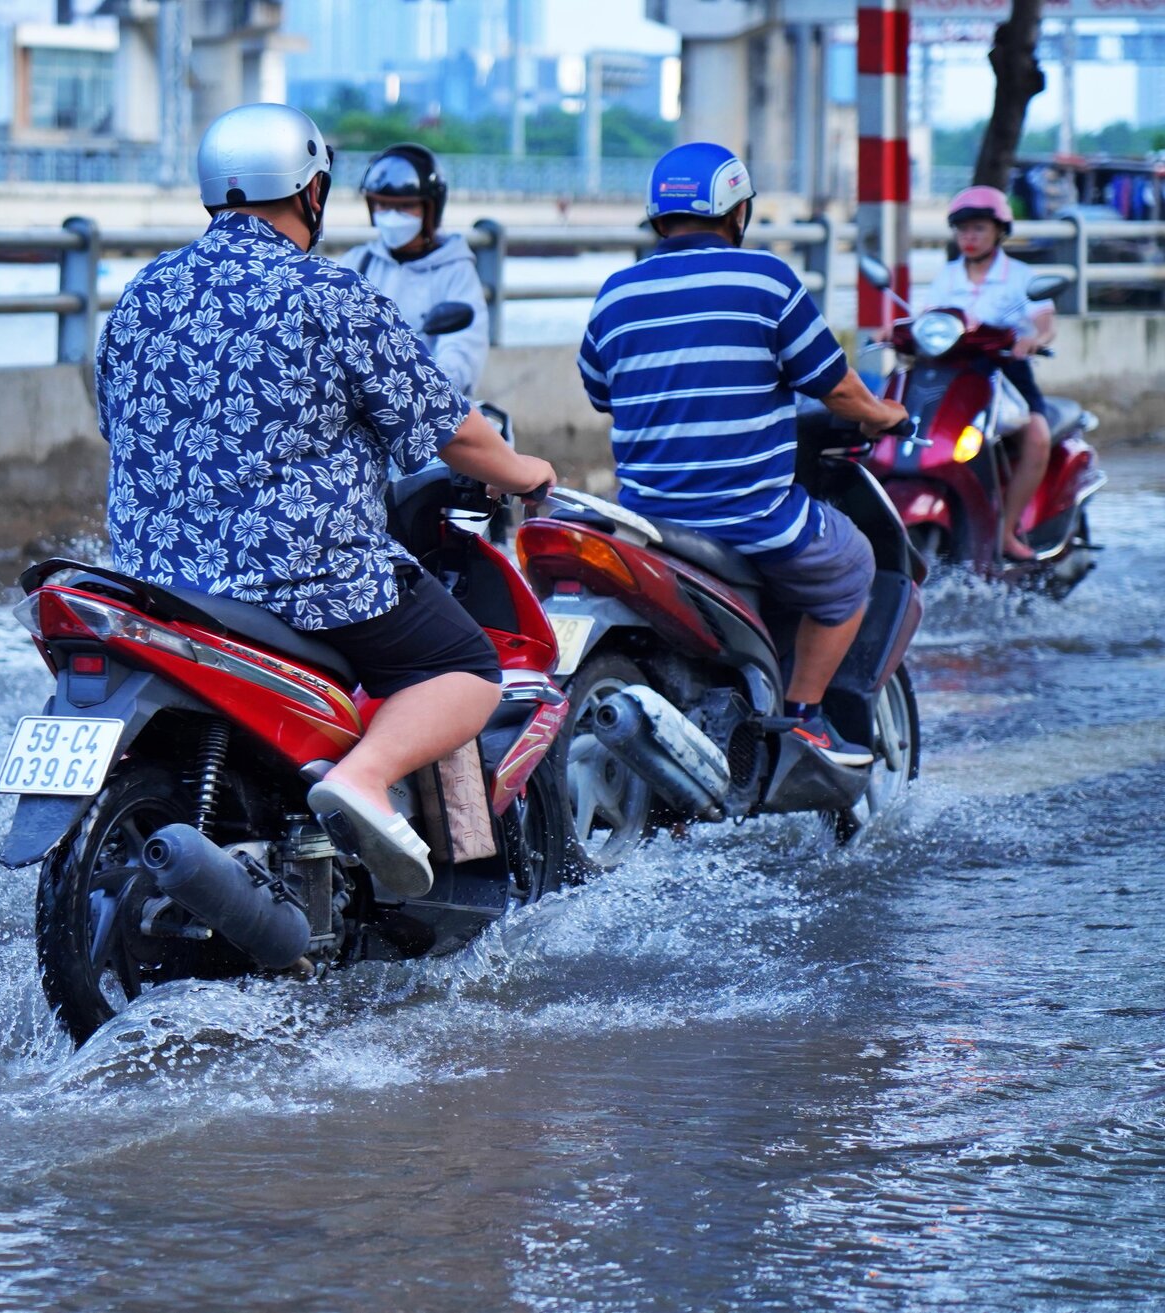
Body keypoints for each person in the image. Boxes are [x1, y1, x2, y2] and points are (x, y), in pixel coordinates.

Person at [99, 103, 557, 898]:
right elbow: (449, 427)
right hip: (302, 580)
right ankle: (365, 777)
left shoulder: (143, 291)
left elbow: (116, 421)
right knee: (465, 664)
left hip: (155, 580)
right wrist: (525, 471)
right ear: (313, 191)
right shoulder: (328, 291)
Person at [577, 141, 911, 769]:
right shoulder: (766, 279)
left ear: (658, 216)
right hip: (749, 517)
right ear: (738, 212)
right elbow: (836, 387)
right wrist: (885, 414)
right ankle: (805, 719)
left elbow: (601, 393)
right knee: (853, 567)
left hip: (648, 522)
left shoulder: (615, 294)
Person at [919, 185, 1055, 561]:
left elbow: (1045, 323)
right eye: (963, 229)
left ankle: (1006, 531)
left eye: (978, 228)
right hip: (952, 374)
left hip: (1007, 373)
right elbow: (927, 318)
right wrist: (895, 330)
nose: (970, 237)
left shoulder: (1021, 276)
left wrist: (1034, 339)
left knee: (1037, 437)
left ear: (999, 231)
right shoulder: (947, 276)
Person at [338, 143, 488, 397]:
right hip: (359, 405)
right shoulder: (356, 263)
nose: (392, 216)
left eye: (406, 206)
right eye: (383, 205)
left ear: (430, 210)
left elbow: (462, 351)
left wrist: (425, 387)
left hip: (427, 405)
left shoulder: (455, 272)